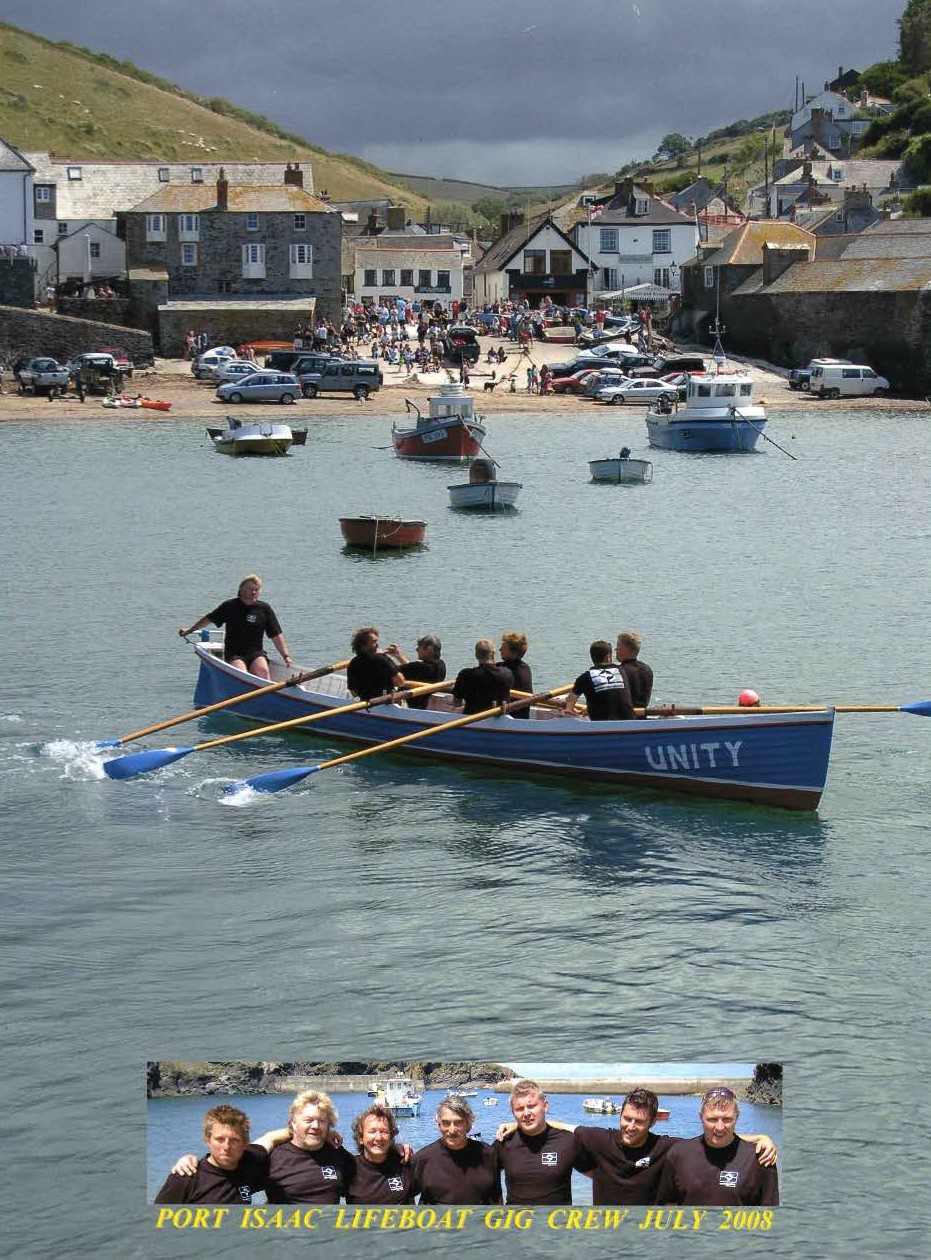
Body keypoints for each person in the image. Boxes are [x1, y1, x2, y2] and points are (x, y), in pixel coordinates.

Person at [551, 1087, 777, 1206]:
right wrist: (516, 1125)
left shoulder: (667, 1147)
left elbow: (712, 1140)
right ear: (620, 1115)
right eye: (627, 1118)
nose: (630, 1126)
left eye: (639, 1122)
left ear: (652, 1122)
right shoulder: (599, 1139)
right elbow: (563, 1127)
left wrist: (759, 1138)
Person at [656, 1086, 779, 1206]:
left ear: (737, 1117)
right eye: (712, 1120)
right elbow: (667, 1205)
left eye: (727, 1119)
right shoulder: (678, 1154)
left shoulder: (761, 1158)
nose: (719, 1127)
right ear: (701, 1117)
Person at [179, 575, 293, 680]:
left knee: (263, 671)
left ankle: (265, 698)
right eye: (250, 589)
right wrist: (190, 630)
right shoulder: (230, 606)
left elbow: (276, 635)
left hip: (255, 653)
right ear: (242, 590)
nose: (253, 592)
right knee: (241, 674)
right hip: (235, 654)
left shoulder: (264, 609)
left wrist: (286, 656)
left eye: (256, 589)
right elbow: (209, 619)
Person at [154, 1104, 269, 1204]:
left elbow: (271, 1139)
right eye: (219, 1139)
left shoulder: (250, 1162)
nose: (226, 1147)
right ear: (208, 1141)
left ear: (245, 1143)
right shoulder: (186, 1177)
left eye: (234, 1140)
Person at [493, 1080, 583, 1205]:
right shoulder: (503, 1143)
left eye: (531, 1106)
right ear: (513, 1112)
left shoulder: (568, 1141)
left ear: (545, 1106)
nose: (526, 1113)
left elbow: (600, 1175)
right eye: (519, 1109)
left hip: (558, 1222)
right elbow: (484, 1180)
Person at [264, 1090, 356, 1203]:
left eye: (322, 1121)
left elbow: (367, 1182)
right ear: (293, 1123)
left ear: (329, 1126)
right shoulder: (274, 1157)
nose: (316, 1126)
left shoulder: (338, 1155)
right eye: (308, 1120)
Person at [411, 1096, 501, 1204]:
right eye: (446, 1123)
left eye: (458, 1122)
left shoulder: (488, 1154)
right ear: (438, 1125)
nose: (452, 1130)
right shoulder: (423, 1159)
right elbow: (404, 1196)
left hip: (479, 1220)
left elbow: (497, 1198)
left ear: (469, 1124)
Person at [344, 1103, 416, 1203]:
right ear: (361, 1138)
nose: (378, 1137)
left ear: (391, 1137)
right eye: (372, 1131)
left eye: (384, 1132)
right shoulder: (349, 1168)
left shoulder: (405, 1163)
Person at [564, 640, 635, 721]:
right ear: (608, 657)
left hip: (601, 724)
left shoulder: (584, 678)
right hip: (629, 721)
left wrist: (570, 709)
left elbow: (570, 702)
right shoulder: (622, 670)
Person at [385, 634, 446, 709]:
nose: (416, 649)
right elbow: (412, 669)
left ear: (429, 650)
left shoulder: (420, 667)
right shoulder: (441, 664)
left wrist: (382, 658)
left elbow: (390, 670)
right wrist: (398, 655)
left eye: (419, 647)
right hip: (424, 702)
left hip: (412, 704)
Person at [452, 639, 513, 715]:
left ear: (476, 656)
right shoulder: (507, 673)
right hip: (501, 719)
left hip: (472, 719)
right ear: (493, 654)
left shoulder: (465, 674)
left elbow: (457, 703)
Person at [346, 626, 406, 701]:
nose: (377, 645)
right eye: (374, 642)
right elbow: (400, 682)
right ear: (363, 645)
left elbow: (353, 692)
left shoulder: (353, 663)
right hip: (387, 704)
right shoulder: (381, 659)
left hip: (366, 704)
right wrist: (384, 656)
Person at [615, 631, 653, 711]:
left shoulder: (619, 671)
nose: (615, 649)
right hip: (641, 715)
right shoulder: (647, 670)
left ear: (625, 649)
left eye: (618, 646)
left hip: (623, 717)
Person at [498, 633, 532, 718]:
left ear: (512, 651)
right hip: (523, 716)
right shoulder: (526, 667)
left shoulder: (503, 670)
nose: (500, 649)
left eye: (503, 647)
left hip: (509, 717)